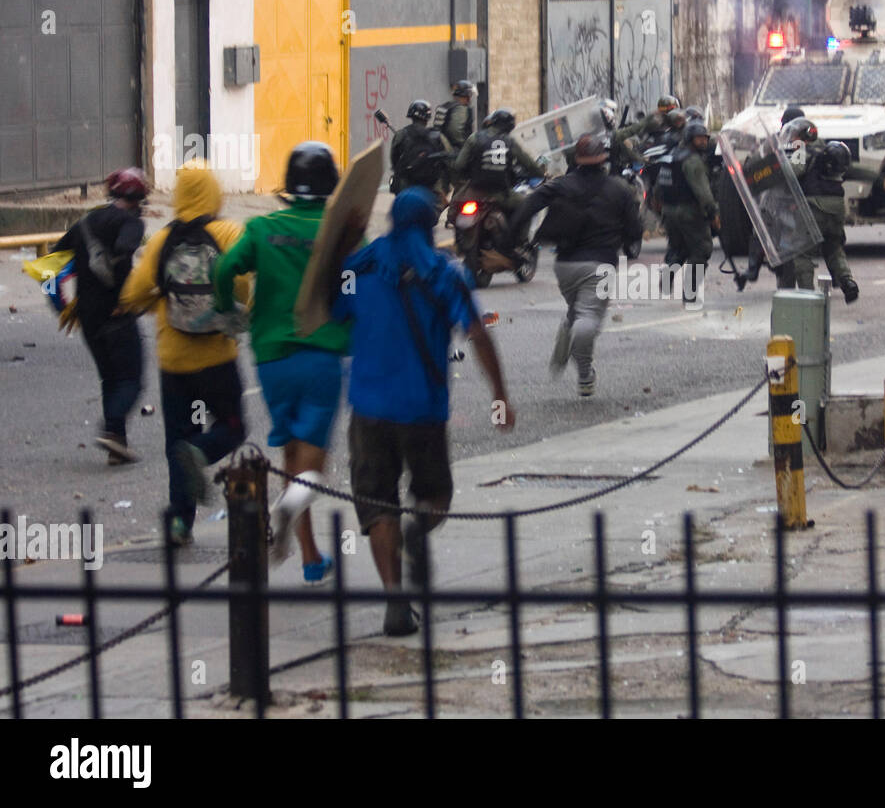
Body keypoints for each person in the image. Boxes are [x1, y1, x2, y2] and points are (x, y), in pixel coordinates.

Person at [331, 186, 514, 635]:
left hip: (369, 410)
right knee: (436, 497)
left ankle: (395, 599)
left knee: (377, 507)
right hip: (424, 410)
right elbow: (478, 333)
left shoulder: (361, 267)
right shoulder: (444, 273)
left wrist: (343, 248)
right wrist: (499, 394)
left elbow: (333, 313)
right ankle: (419, 529)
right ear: (430, 225)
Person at [212, 142, 350, 584]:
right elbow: (361, 280)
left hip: (271, 359)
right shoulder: (343, 230)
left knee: (289, 457)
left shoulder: (260, 227)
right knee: (311, 465)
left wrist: (226, 310)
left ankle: (311, 559)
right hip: (322, 355)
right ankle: (288, 508)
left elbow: (223, 269)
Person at [119, 160, 250, 546]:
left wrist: (164, 300)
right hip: (216, 358)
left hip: (173, 361)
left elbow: (134, 294)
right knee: (233, 426)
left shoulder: (162, 240)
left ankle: (179, 524)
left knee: (178, 438)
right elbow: (242, 286)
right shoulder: (227, 233)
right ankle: (202, 451)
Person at [511, 133, 641, 397]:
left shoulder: (561, 185)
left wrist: (512, 236)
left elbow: (530, 204)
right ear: (604, 159)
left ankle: (567, 338)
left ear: (577, 160)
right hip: (600, 266)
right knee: (587, 320)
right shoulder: (620, 189)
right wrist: (630, 246)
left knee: (579, 311)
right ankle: (584, 375)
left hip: (565, 268)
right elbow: (635, 227)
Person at [53, 168, 148, 463]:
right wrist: (124, 287)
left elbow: (53, 257)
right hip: (116, 313)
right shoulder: (131, 222)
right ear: (139, 197)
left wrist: (62, 305)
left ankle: (117, 446)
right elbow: (125, 247)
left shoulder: (86, 223)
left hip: (87, 316)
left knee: (109, 378)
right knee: (131, 380)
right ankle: (111, 430)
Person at [780, 126, 859, 302]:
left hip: (814, 205)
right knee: (833, 247)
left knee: (802, 253)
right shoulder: (826, 150)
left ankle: (808, 295)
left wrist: (780, 166)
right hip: (837, 206)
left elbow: (794, 170)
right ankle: (847, 281)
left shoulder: (802, 149)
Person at [740, 107, 807, 287]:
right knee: (785, 241)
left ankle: (754, 268)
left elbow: (751, 163)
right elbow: (798, 169)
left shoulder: (773, 142)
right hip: (789, 200)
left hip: (771, 198)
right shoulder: (800, 143)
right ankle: (783, 281)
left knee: (763, 232)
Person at [655, 120, 720, 305]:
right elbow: (703, 192)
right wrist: (713, 213)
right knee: (701, 250)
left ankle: (668, 273)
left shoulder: (671, 156)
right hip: (690, 213)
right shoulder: (693, 161)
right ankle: (690, 294)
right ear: (690, 139)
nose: (703, 142)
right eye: (698, 139)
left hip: (669, 212)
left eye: (704, 138)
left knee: (678, 248)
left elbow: (659, 186)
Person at [450, 108, 541, 216]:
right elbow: (529, 164)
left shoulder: (474, 138)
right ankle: (517, 233)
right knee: (526, 206)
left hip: (475, 189)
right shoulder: (510, 141)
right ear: (509, 127)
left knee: (454, 210)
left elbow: (459, 165)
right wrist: (541, 173)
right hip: (500, 193)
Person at [389, 100, 448, 198]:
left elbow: (394, 158)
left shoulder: (401, 134)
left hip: (406, 183)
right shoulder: (436, 136)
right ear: (427, 117)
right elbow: (445, 159)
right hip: (429, 184)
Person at [433, 80, 476, 152]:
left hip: (439, 149)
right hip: (455, 152)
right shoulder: (462, 109)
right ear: (467, 96)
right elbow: (455, 131)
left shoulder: (444, 107)